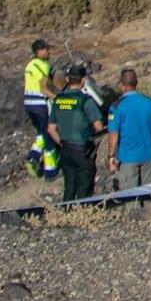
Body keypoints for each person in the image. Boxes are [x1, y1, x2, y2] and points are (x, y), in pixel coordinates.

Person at [48, 64, 105, 202]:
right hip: (82, 150)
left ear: (67, 79)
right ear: (83, 81)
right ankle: (82, 216)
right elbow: (98, 126)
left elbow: (50, 128)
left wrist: (62, 142)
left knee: (69, 188)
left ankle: (66, 216)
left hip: (66, 150)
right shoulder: (85, 101)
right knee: (84, 188)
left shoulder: (58, 100)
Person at [105, 68, 151, 191]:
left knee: (130, 196)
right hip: (148, 154)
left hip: (127, 157)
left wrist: (110, 156)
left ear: (122, 85)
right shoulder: (149, 103)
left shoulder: (116, 106)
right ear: (136, 83)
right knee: (148, 193)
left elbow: (113, 133)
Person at [21, 38, 55, 137]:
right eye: (47, 49)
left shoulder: (29, 65)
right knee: (49, 135)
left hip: (28, 105)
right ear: (38, 51)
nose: (49, 52)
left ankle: (35, 153)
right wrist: (57, 98)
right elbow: (43, 89)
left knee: (41, 136)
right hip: (39, 105)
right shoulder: (44, 66)